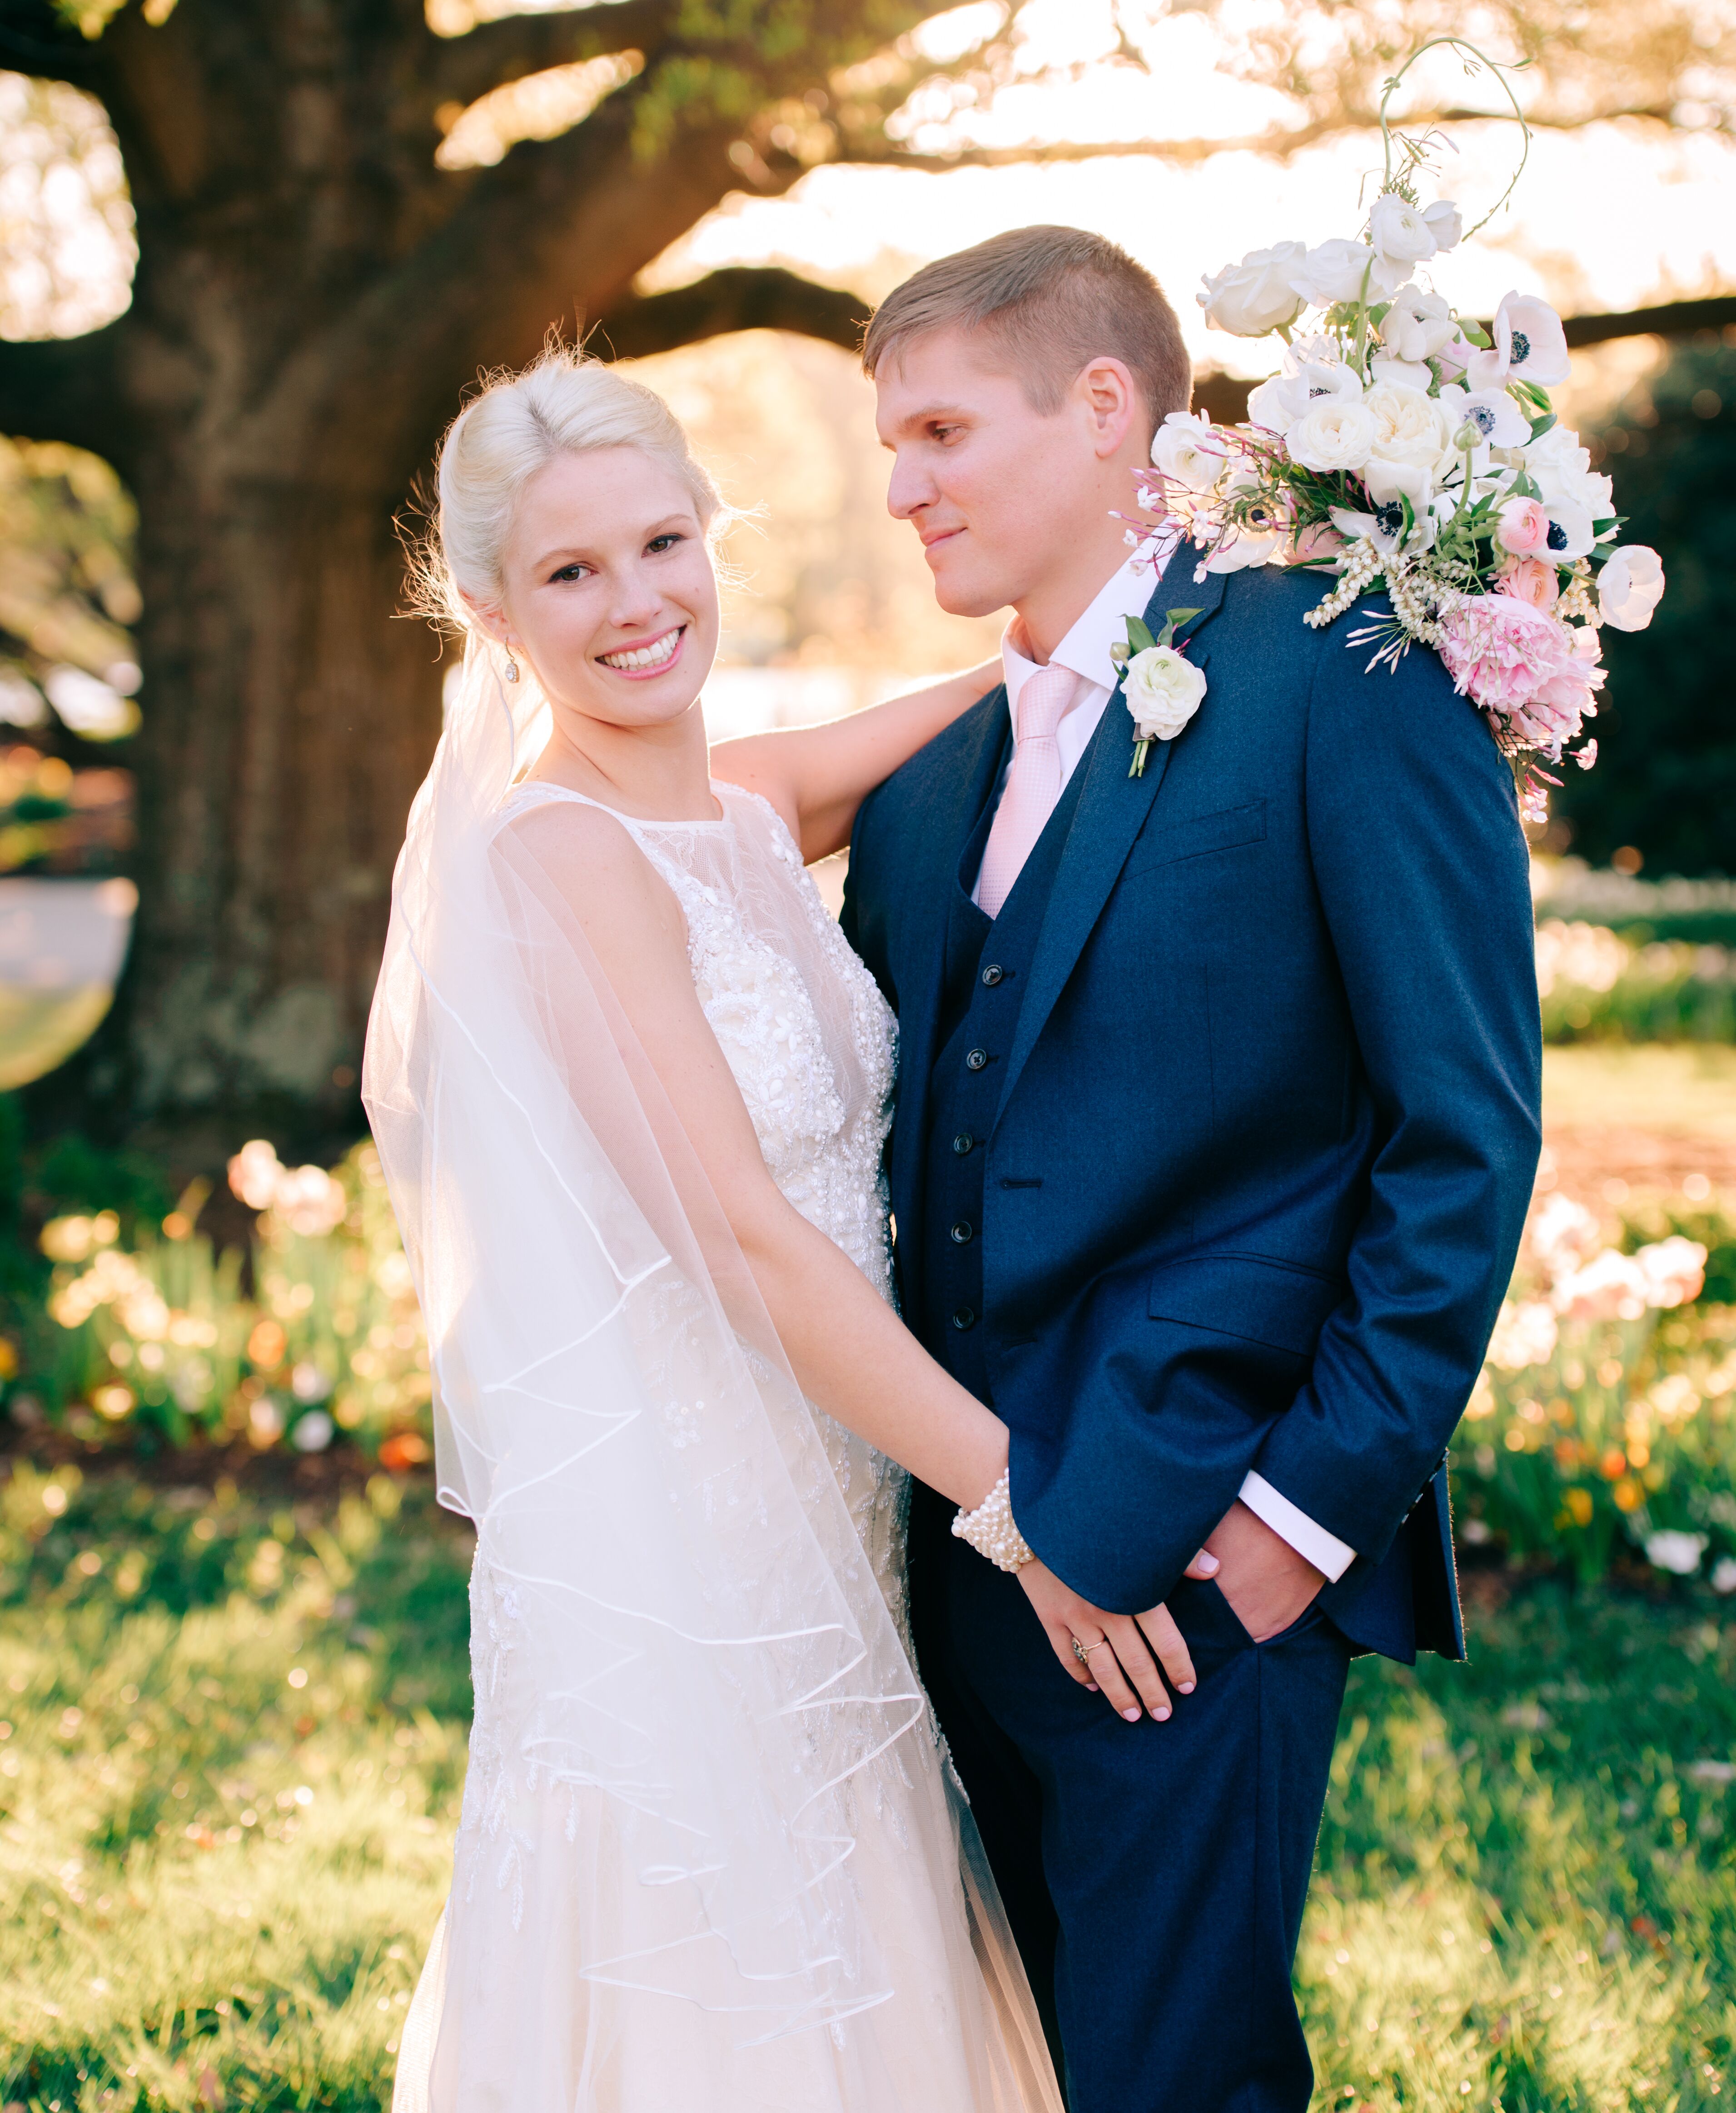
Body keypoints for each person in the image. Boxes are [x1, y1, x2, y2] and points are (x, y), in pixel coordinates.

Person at [363, 347, 1204, 2113]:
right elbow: (741, 1240)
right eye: (568, 573)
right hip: (679, 1555)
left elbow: (1004, 699)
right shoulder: (553, 860)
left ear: (708, 533)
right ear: (492, 611)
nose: (633, 602)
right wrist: (1023, 1510)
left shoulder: (740, 810)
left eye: (661, 542)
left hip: (826, 1517)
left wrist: (1169, 579)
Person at [843, 224, 1543, 2113]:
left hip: (1204, 1561)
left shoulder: (1340, 673)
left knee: (1175, 2083)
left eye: (935, 432)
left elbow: (1457, 1137)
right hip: (961, 1563)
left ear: (1100, 411)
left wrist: (1293, 1524)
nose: (899, 490)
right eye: (884, 447)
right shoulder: (924, 780)